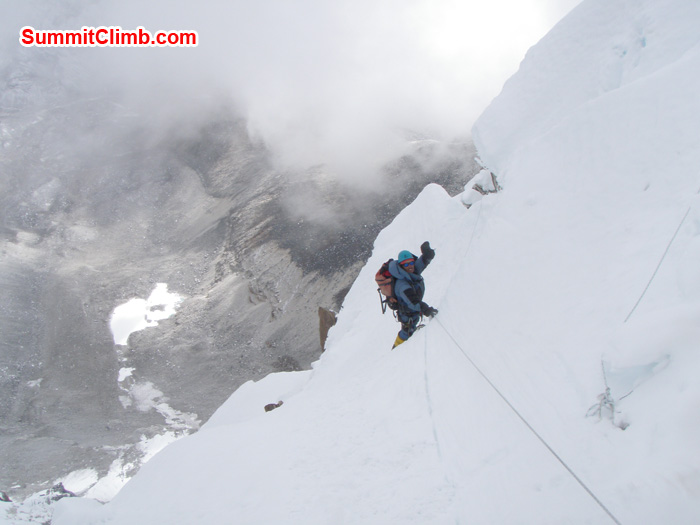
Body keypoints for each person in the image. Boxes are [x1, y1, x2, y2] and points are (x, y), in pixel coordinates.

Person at [389, 241, 438, 349]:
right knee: (406, 331)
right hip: (407, 314)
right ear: (401, 266)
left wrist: (427, 256)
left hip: (411, 311)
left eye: (411, 262)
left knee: (408, 330)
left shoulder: (409, 271)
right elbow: (413, 302)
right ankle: (395, 350)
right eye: (406, 264)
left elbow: (420, 264)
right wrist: (425, 309)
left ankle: (399, 348)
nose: (410, 266)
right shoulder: (402, 285)